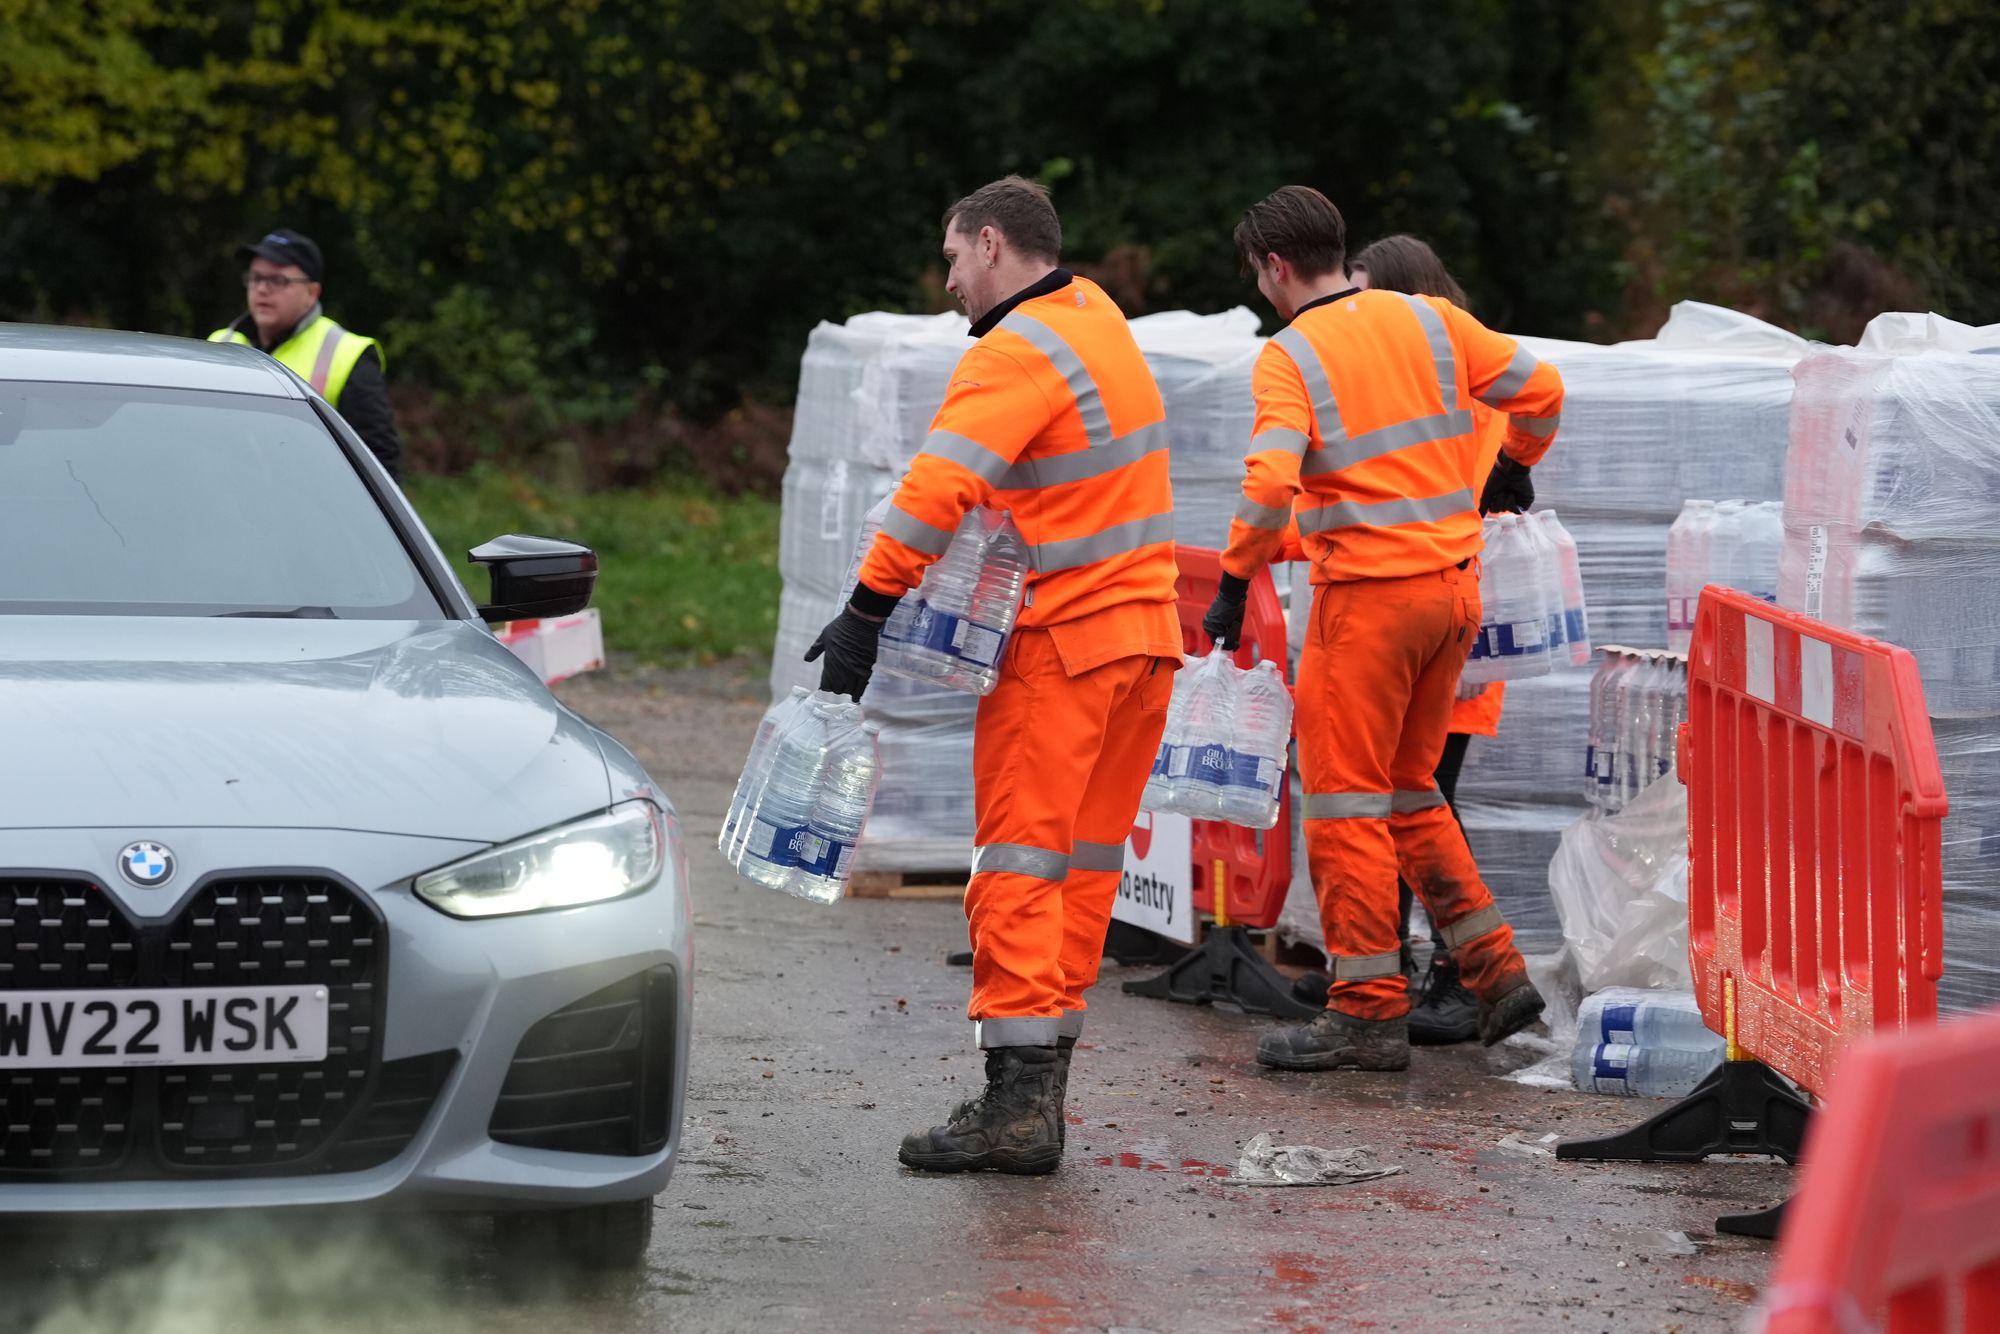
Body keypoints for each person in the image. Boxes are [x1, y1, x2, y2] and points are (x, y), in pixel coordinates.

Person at [806, 176, 1180, 1175]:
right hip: (1142, 639)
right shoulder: (1092, 314)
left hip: (1063, 643)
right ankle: (1038, 1097)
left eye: (950, 261)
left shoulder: (1012, 351)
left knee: (1015, 865)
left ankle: (1015, 1108)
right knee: (1079, 872)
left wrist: (865, 608)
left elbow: (939, 486)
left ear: (987, 243)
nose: (946, 285)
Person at [1205, 186, 1560, 1072]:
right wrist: (1514, 463)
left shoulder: (1290, 357)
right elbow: (1543, 390)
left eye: (1259, 276)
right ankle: (1495, 971)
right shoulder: (1432, 320)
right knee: (1409, 791)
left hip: (1367, 608)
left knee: (1345, 802)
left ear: (1276, 268)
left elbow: (1270, 483)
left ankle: (1366, 1011)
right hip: (1450, 598)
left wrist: (1235, 575)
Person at [1350, 234, 1518, 1046]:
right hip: (1446, 616)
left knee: (1424, 802)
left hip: (1436, 617)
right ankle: (1405, 966)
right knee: (1409, 798)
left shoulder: (1450, 384)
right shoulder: (1463, 371)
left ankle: (1458, 977)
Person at [209, 228, 402, 479]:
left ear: (312, 293)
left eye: (278, 280)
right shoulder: (219, 344)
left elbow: (379, 465)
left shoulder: (347, 354)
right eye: (256, 277)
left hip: (311, 509)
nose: (262, 289)